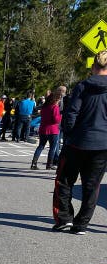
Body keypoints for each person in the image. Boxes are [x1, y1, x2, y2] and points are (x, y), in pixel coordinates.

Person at [50, 50, 107, 235]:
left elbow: (71, 113)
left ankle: (64, 218)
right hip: (102, 144)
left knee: (64, 181)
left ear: (93, 66)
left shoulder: (82, 86)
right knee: (92, 186)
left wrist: (68, 133)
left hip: (77, 141)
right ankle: (81, 224)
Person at [30, 90, 62, 170]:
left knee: (40, 146)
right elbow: (56, 120)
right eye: (58, 99)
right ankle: (49, 164)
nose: (59, 101)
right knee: (52, 148)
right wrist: (60, 117)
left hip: (43, 128)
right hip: (53, 130)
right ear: (55, 99)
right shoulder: (55, 107)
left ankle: (34, 163)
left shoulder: (44, 107)